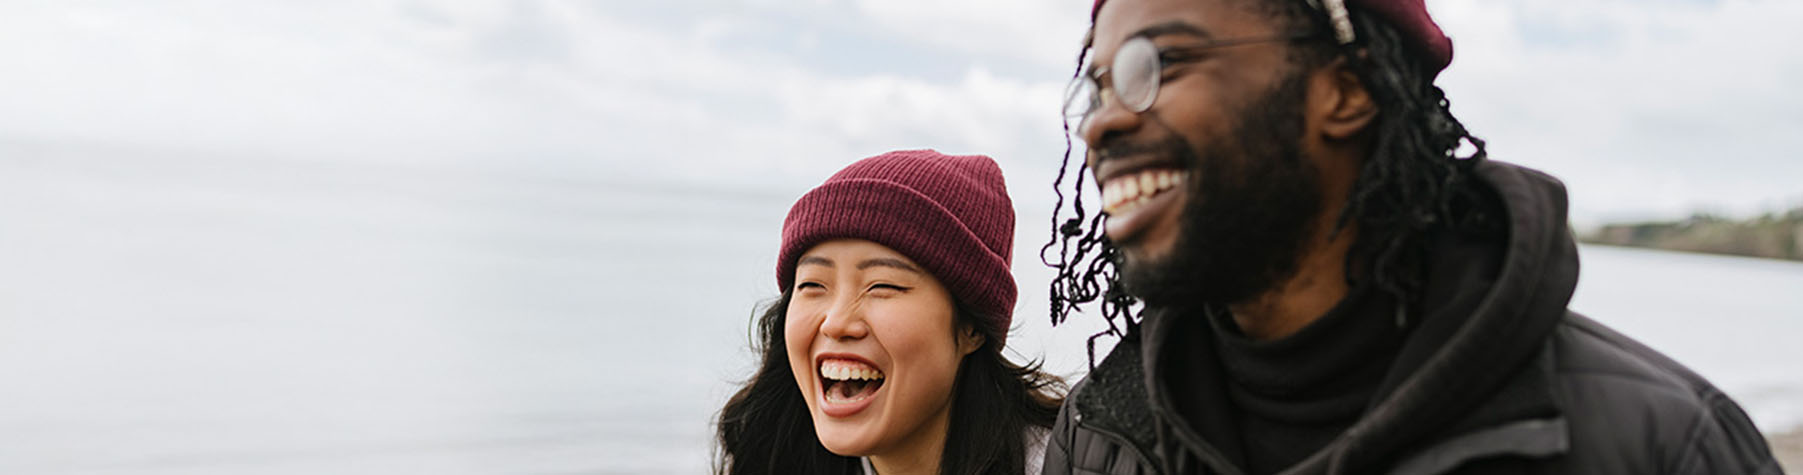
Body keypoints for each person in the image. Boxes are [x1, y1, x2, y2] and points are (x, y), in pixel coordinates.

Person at [1040, 0, 1783, 474]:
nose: (1100, 121)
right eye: (1096, 85)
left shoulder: (1658, 444)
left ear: (1347, 91)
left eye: (1155, 64)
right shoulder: (1102, 430)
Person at [716, 149, 1066, 475]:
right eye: (812, 285)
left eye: (882, 285)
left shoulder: (1072, 462)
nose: (836, 322)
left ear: (971, 327)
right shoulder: (773, 457)